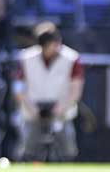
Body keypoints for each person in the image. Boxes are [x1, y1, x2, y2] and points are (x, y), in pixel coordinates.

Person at [15, 22, 84, 162]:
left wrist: (61, 108)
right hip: (33, 108)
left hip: (61, 108)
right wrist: (32, 109)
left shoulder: (71, 58)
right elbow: (19, 88)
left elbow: (76, 89)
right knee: (28, 147)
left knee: (67, 148)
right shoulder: (26, 58)